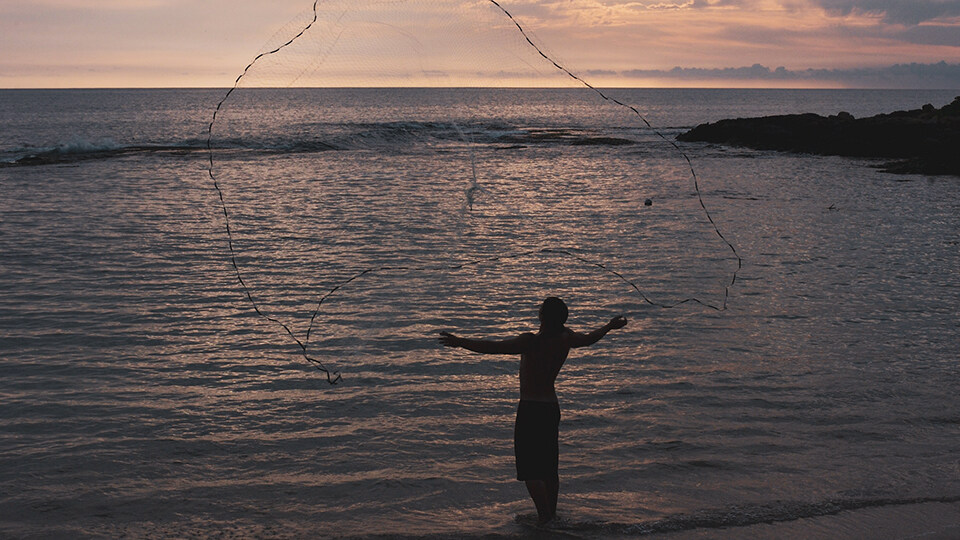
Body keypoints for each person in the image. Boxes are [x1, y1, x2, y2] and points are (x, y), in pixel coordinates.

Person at [437, 297, 628, 525]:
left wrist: (461, 342)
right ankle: (551, 515)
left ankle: (544, 517)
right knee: (549, 467)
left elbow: (494, 347)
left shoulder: (530, 342)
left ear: (542, 317)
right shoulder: (566, 338)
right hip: (551, 407)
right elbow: (589, 339)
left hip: (531, 408)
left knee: (530, 470)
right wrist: (608, 326)